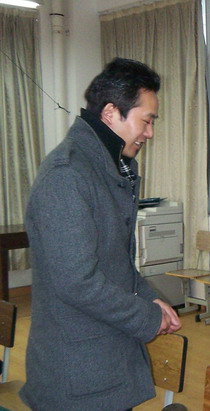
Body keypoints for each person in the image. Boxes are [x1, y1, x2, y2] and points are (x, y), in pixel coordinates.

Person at [20, 58, 181, 410]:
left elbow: (115, 258)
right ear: (110, 113)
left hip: (105, 355)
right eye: (146, 120)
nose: (150, 133)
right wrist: (146, 317)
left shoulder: (105, 166)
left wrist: (148, 297)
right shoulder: (67, 174)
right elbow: (77, 282)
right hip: (77, 371)